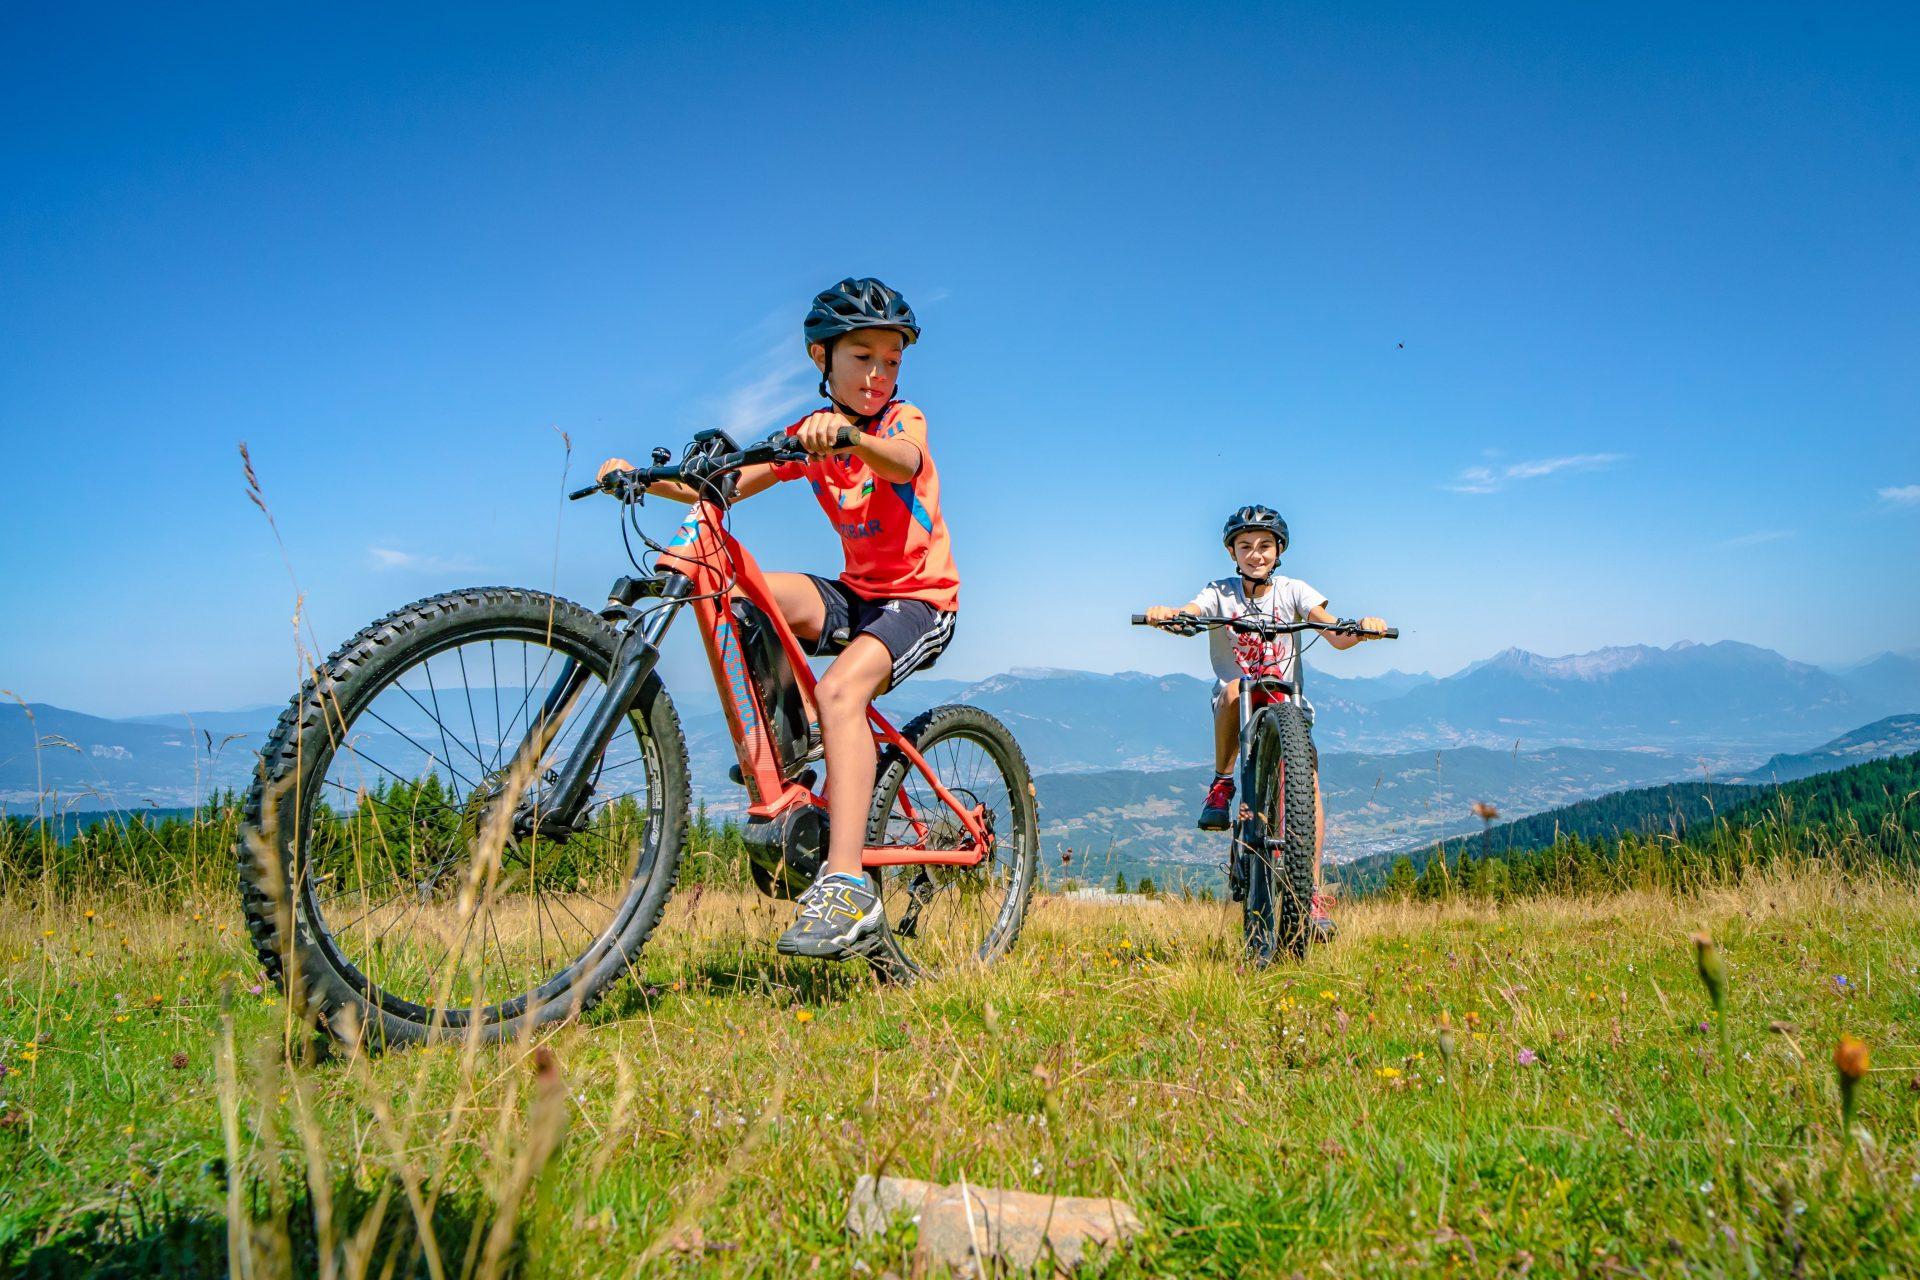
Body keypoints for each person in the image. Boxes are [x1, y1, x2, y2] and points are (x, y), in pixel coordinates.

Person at [596, 277, 958, 960]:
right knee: (737, 593)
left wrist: (849, 436)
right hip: (857, 592)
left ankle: (848, 887)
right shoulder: (805, 437)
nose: (879, 374)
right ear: (822, 359)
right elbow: (722, 485)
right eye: (862, 357)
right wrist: (640, 480)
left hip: (921, 601)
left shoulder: (899, 422)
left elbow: (904, 461)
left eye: (891, 360)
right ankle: (786, 751)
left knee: (840, 692)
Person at [1142, 504, 1388, 937]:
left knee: (1308, 786)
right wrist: (1171, 616)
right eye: (1245, 546)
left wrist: (1363, 629)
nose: (1256, 554)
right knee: (1235, 687)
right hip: (1239, 700)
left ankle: (1309, 891)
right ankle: (1222, 782)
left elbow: (1330, 630)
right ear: (1232, 552)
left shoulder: (1293, 590)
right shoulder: (1220, 591)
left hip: (1285, 703)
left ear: (1278, 551)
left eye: (1265, 546)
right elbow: (1194, 613)